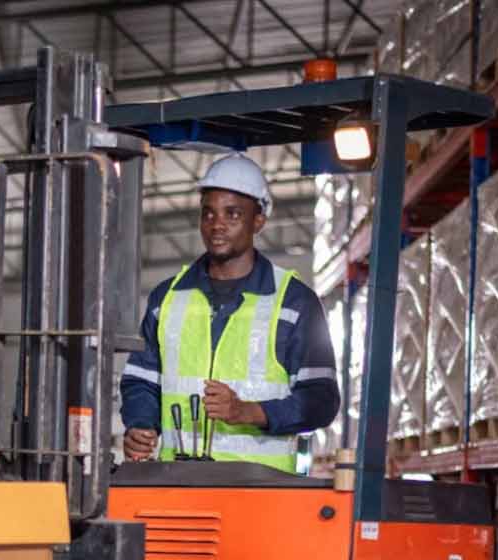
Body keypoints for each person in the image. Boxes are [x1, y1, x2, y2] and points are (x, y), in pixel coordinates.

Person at [120, 153, 340, 470]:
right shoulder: (167, 298)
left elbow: (321, 400)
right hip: (177, 483)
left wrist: (249, 412)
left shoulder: (294, 302)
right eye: (208, 214)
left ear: (259, 220)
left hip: (262, 492)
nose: (217, 225)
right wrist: (141, 425)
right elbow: (140, 381)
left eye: (232, 214)